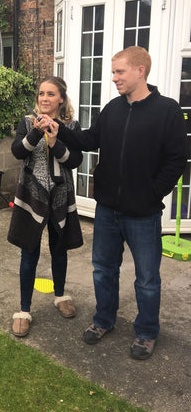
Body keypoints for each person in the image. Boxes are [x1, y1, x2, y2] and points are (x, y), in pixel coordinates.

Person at [54, 46, 188, 360]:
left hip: (143, 213)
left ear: (141, 70)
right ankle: (104, 320)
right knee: (102, 269)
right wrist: (58, 129)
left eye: (119, 72)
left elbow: (177, 160)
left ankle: (146, 332)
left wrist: (153, 193)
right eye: (113, 72)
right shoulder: (113, 108)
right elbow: (88, 141)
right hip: (107, 210)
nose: (114, 78)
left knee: (147, 279)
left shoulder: (167, 110)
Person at [8, 76, 84, 337]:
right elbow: (18, 152)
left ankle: (61, 296)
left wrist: (55, 141)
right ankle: (24, 310)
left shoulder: (70, 125)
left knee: (59, 249)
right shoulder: (27, 122)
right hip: (32, 194)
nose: (44, 98)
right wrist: (37, 132)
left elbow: (75, 160)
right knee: (29, 252)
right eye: (41, 93)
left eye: (51, 94)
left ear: (61, 98)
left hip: (61, 195)